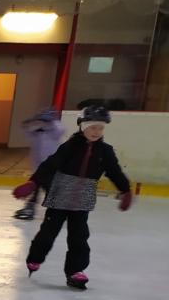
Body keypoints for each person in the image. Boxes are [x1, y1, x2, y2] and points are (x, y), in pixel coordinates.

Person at [16, 105, 133, 290]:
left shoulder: (105, 151)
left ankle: (75, 271)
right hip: (61, 195)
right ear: (83, 126)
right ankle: (35, 258)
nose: (96, 132)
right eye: (92, 127)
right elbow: (50, 165)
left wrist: (125, 190)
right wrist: (33, 182)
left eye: (100, 128)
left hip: (82, 199)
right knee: (48, 233)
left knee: (79, 237)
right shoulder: (70, 146)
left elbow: (115, 172)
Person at [14, 108, 66, 220]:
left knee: (49, 188)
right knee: (35, 187)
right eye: (41, 120)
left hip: (52, 166)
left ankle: (56, 210)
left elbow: (60, 130)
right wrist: (31, 123)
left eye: (46, 121)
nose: (42, 123)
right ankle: (31, 208)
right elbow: (27, 130)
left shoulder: (54, 131)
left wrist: (48, 123)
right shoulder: (36, 132)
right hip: (38, 166)